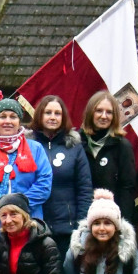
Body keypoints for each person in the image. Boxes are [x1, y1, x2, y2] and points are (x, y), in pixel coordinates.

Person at [0, 98, 52, 251]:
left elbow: (44, 184)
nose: (7, 121)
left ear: (19, 121)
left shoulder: (36, 149)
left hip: (29, 221)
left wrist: (18, 205)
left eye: (13, 117)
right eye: (2, 116)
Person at [29, 95, 93, 254]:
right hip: (34, 226)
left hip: (67, 228)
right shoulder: (27, 146)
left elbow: (84, 188)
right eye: (48, 112)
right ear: (39, 115)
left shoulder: (74, 147)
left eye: (57, 113)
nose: (52, 117)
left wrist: (81, 225)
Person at [80, 91, 137, 222]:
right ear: (90, 113)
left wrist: (122, 221)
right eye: (99, 111)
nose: (104, 116)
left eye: (109, 112)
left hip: (111, 219)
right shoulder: (76, 143)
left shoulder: (122, 146)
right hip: (82, 217)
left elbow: (127, 188)